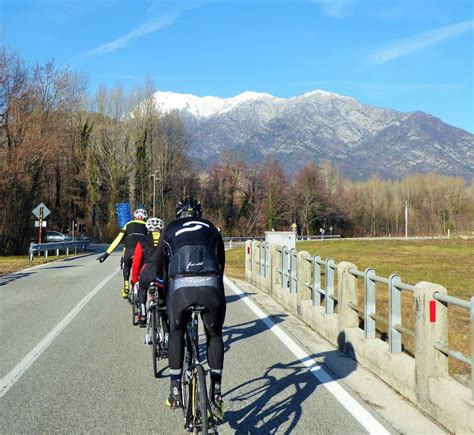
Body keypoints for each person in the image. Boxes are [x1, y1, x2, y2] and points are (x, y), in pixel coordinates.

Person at [153, 197, 225, 420]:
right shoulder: (211, 227)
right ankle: (216, 392)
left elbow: (159, 266)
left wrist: (161, 290)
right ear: (199, 214)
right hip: (210, 285)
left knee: (176, 332)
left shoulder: (171, 229)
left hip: (181, 287)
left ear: (179, 214)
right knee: (214, 334)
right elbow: (221, 263)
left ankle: (175, 389)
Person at [97, 208, 148, 298]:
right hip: (141, 251)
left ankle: (126, 285)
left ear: (135, 216)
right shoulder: (147, 225)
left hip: (128, 250)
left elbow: (118, 239)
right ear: (145, 217)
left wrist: (106, 254)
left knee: (126, 265)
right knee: (140, 268)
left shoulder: (128, 224)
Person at [130, 217, 165, 328]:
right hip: (162, 272)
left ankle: (143, 313)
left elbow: (136, 261)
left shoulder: (142, 241)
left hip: (147, 271)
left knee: (143, 288)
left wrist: (134, 278)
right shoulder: (166, 240)